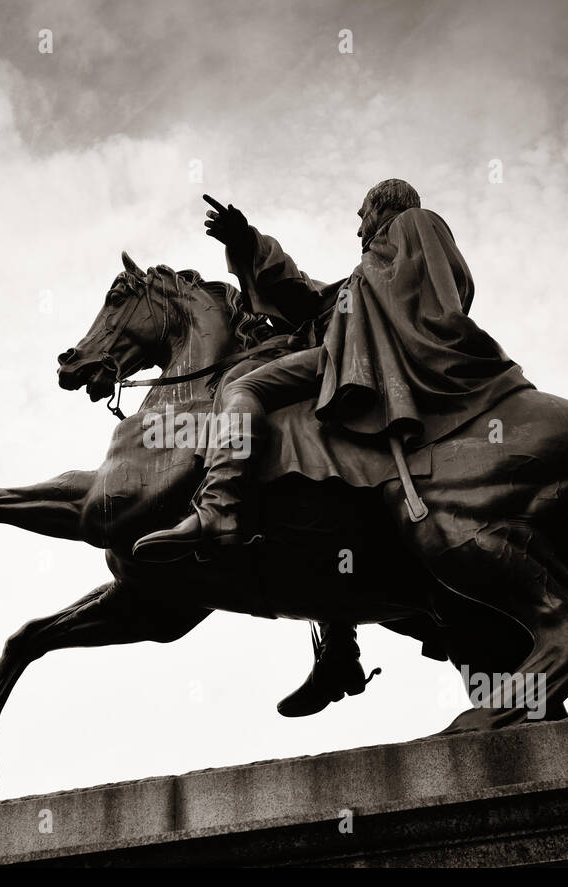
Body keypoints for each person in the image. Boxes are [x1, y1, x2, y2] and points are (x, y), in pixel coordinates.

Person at [135, 179, 534, 715]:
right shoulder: (359, 284)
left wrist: (251, 244)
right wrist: (245, 243)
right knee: (315, 508)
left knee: (246, 391)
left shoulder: (375, 270)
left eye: (362, 214)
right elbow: (294, 289)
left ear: (381, 211)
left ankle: (220, 507)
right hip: (343, 383)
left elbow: (304, 290)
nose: (357, 226)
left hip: (349, 376)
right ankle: (338, 650)